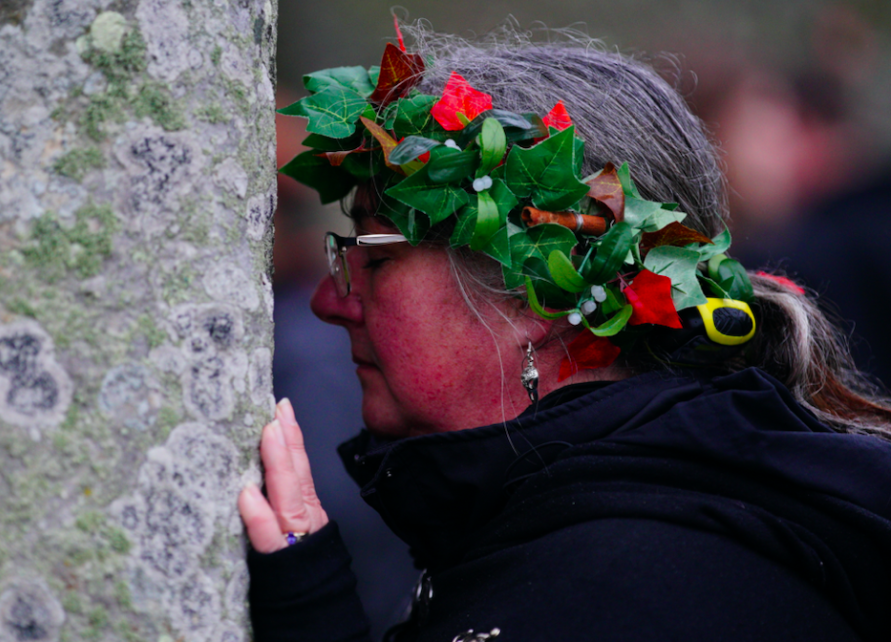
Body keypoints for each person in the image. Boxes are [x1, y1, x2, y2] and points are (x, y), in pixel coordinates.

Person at [238, 24, 891, 642]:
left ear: (540, 295)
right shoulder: (613, 520)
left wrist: (309, 611)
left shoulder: (633, 590)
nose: (329, 302)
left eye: (377, 259)